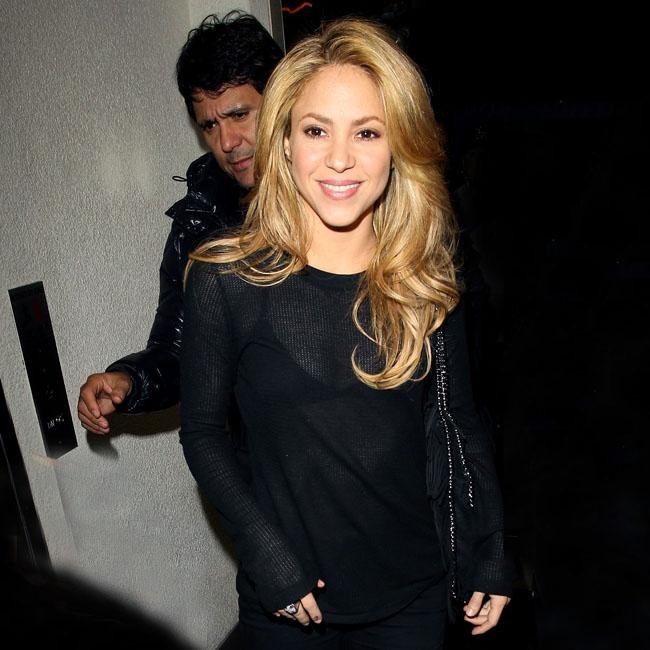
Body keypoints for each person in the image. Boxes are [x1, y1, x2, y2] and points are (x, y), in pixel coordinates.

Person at [180, 17, 511, 649]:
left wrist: (491, 544)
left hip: (412, 596)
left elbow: (458, 422)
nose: (339, 158)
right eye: (315, 130)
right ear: (284, 143)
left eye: (367, 131)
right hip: (289, 604)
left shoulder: (426, 277)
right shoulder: (225, 279)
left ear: (398, 146)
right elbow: (202, 431)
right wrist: (264, 550)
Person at [77, 12, 283, 434]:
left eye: (239, 114)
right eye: (210, 124)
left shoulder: (341, 192)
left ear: (283, 99)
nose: (227, 142)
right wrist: (129, 381)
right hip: (257, 460)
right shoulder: (199, 220)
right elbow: (179, 349)